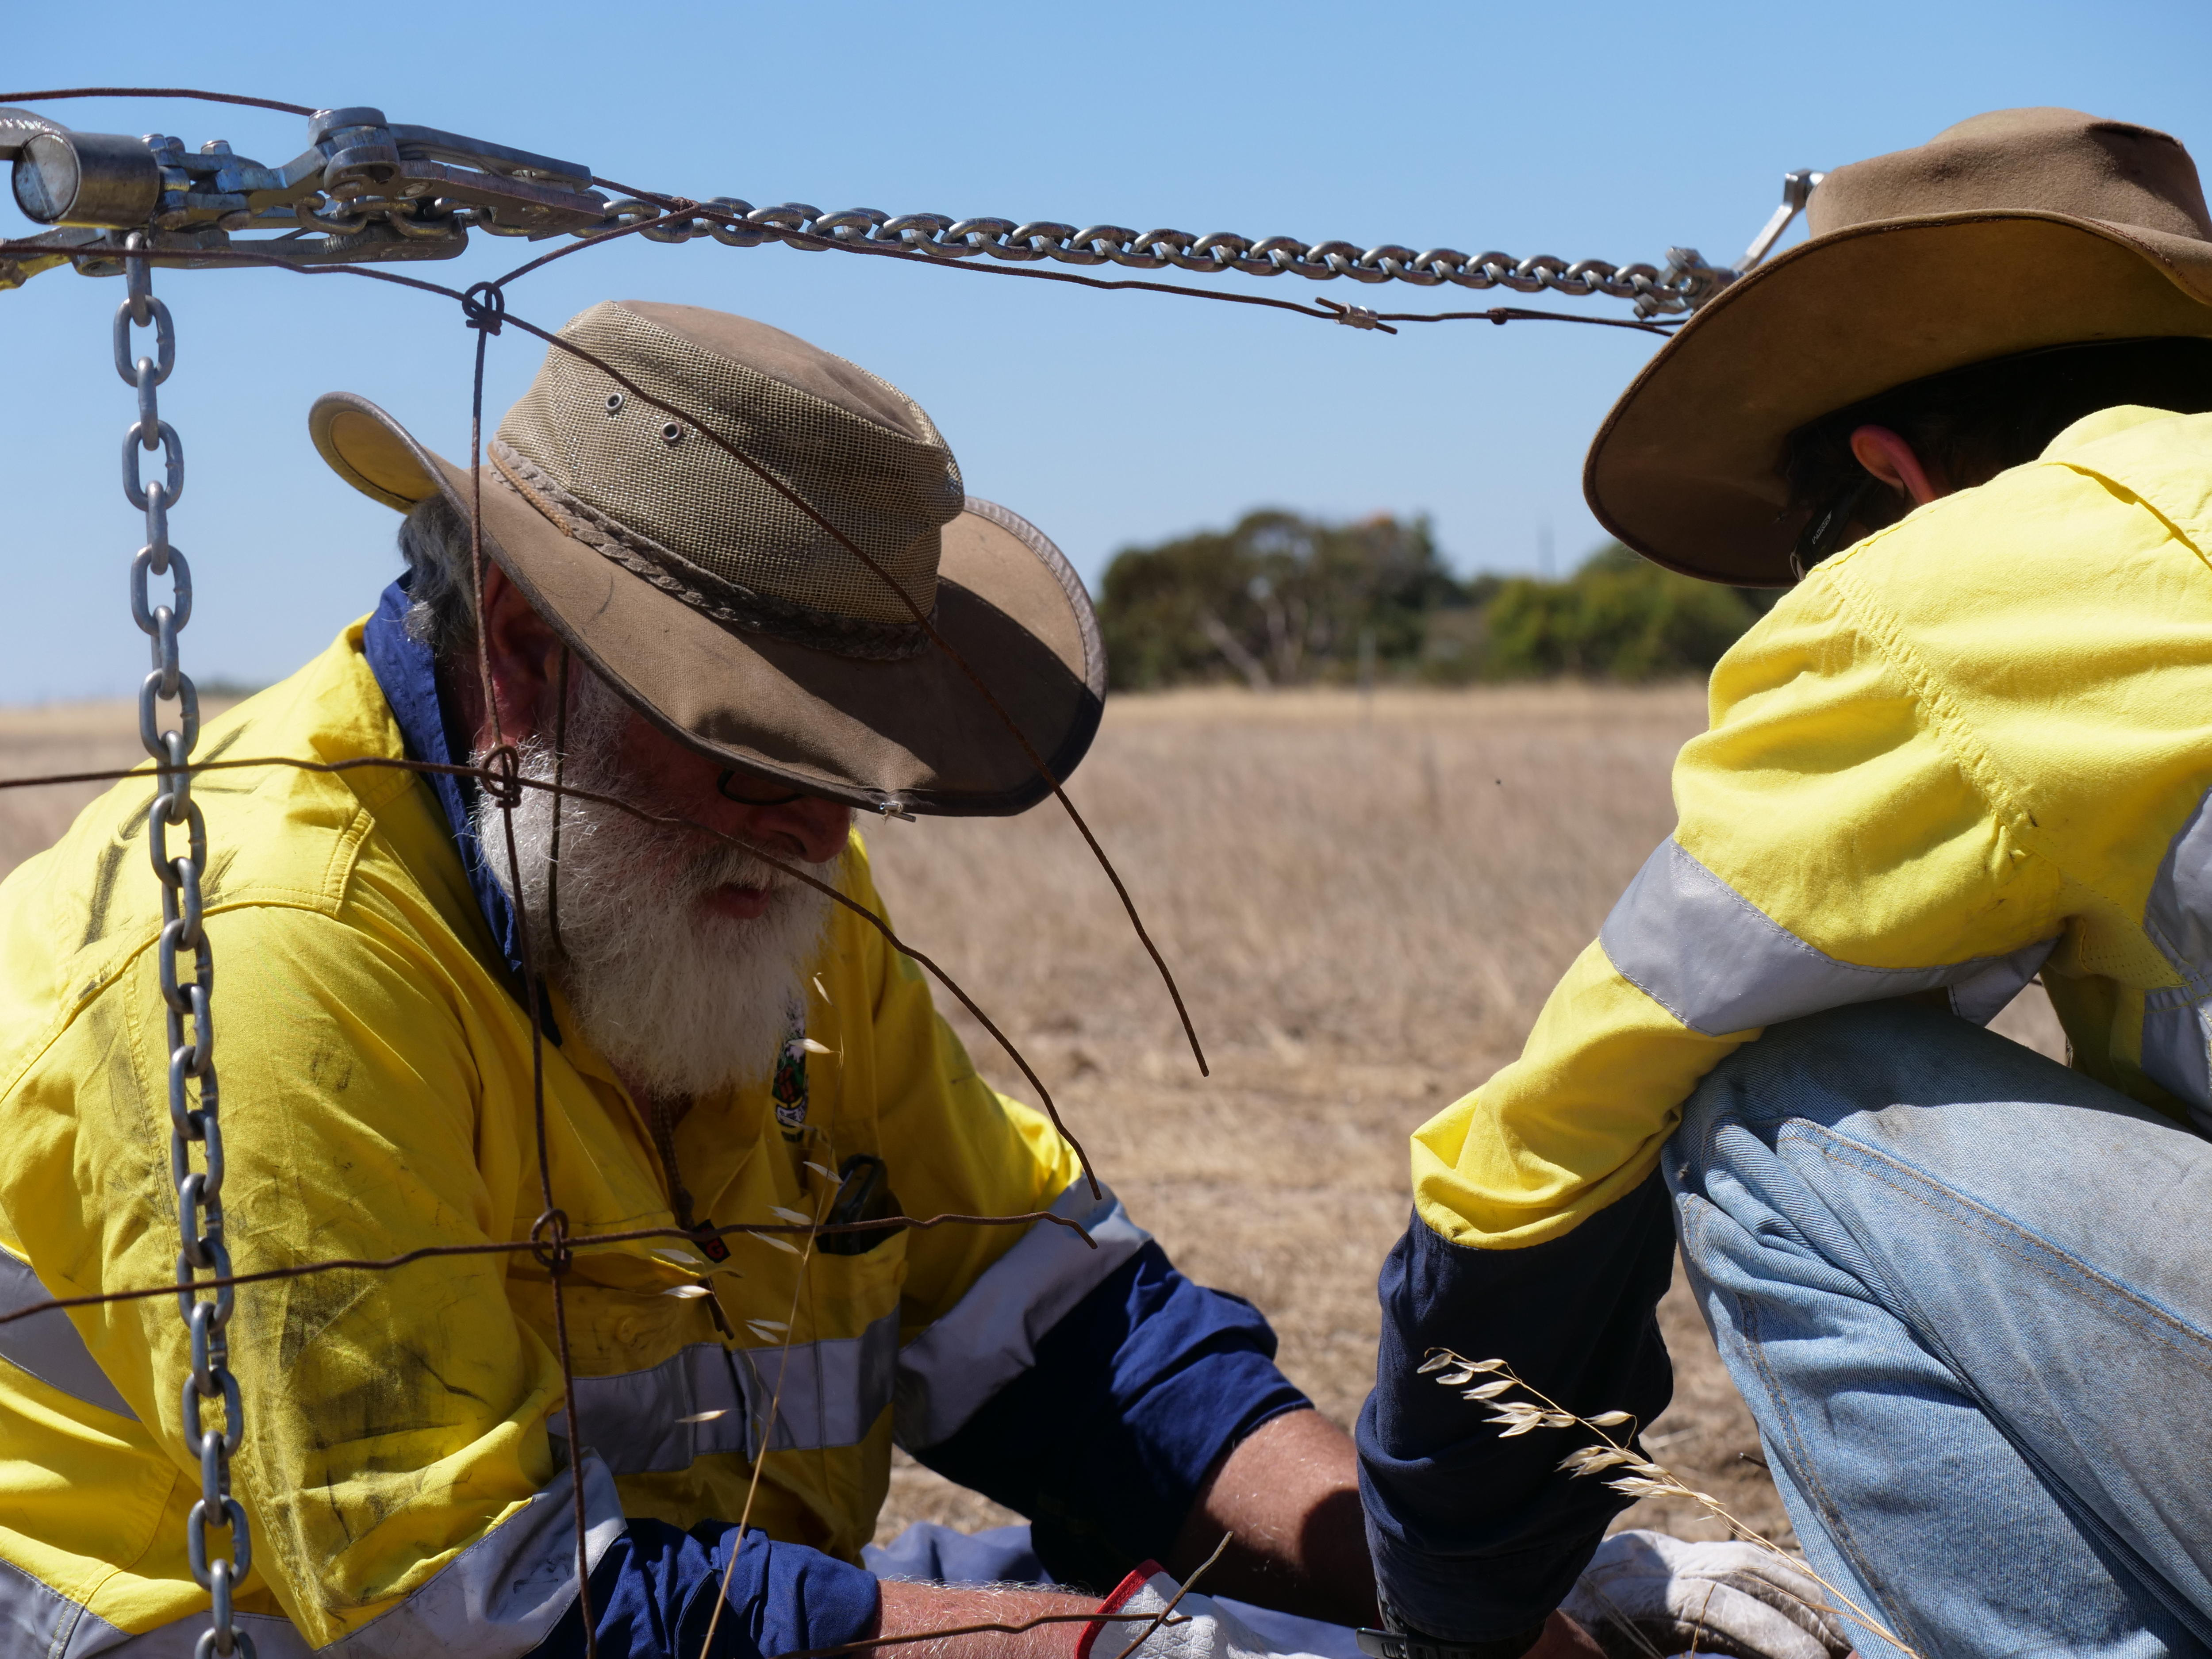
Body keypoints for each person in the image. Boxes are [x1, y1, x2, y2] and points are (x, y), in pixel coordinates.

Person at [0, 301, 1376, 1659]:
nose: (819, 835)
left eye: (852, 767)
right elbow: (479, 1615)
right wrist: (1093, 1651)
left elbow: (1057, 1328)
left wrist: (1417, 1582)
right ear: (524, 652)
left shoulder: (755, 857)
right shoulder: (277, 956)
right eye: (755, 747)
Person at [1357, 106, 2212, 1659]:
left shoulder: (1984, 574)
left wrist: (1451, 1584)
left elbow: (1576, 1117)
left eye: (1819, 541)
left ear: (1894, 477)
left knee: (1770, 1101)